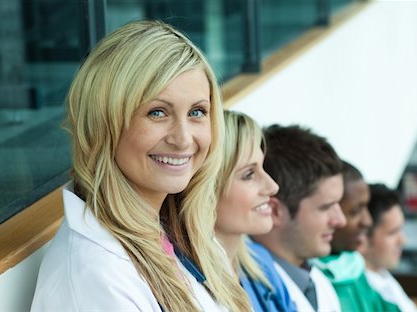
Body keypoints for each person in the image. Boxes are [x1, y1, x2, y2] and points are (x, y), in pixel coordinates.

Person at [31, 20, 252, 312]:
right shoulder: (95, 279)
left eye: (197, 112)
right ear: (103, 125)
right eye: (157, 112)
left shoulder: (185, 234)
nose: (183, 139)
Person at [251, 125, 346, 312]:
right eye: (326, 207)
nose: (340, 220)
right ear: (274, 210)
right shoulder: (246, 289)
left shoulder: (319, 284)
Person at [214, 110, 296, 312]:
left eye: (262, 168)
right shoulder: (180, 282)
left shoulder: (261, 264)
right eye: (249, 174)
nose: (272, 186)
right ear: (204, 188)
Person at [313, 161, 401, 312]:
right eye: (355, 211)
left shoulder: (352, 267)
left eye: (366, 208)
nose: (367, 221)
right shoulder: (315, 278)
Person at [359, 184, 417, 312]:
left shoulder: (384, 279)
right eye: (392, 232)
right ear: (363, 236)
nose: (403, 240)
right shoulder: (361, 294)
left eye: (401, 230)